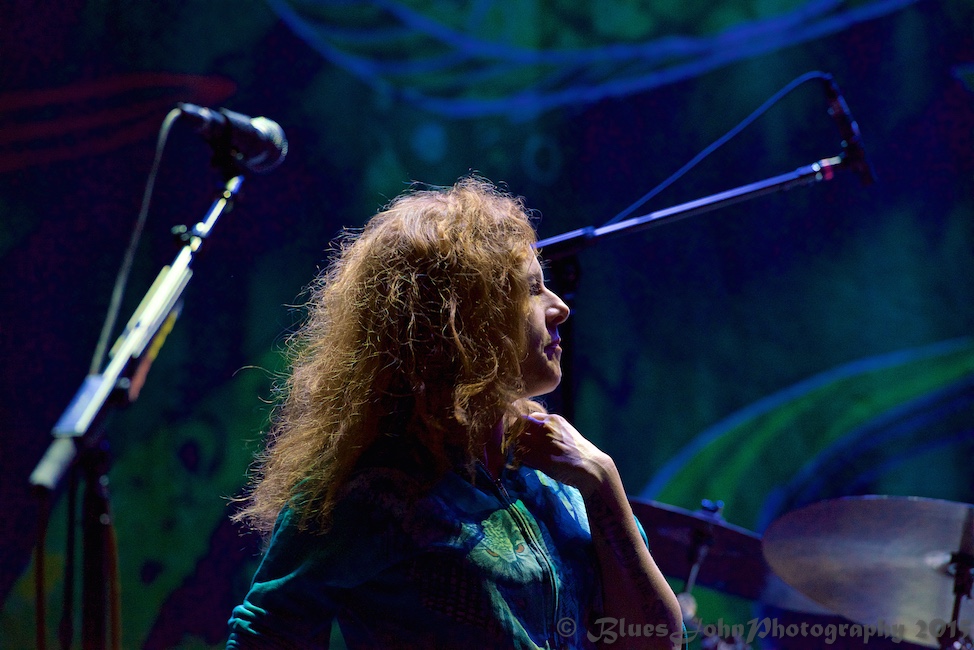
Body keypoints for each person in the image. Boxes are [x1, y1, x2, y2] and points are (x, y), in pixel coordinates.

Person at [226, 177, 683, 649]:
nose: (561, 307)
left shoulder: (561, 473)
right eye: (531, 289)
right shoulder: (374, 492)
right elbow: (265, 635)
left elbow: (658, 642)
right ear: (464, 319)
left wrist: (604, 483)